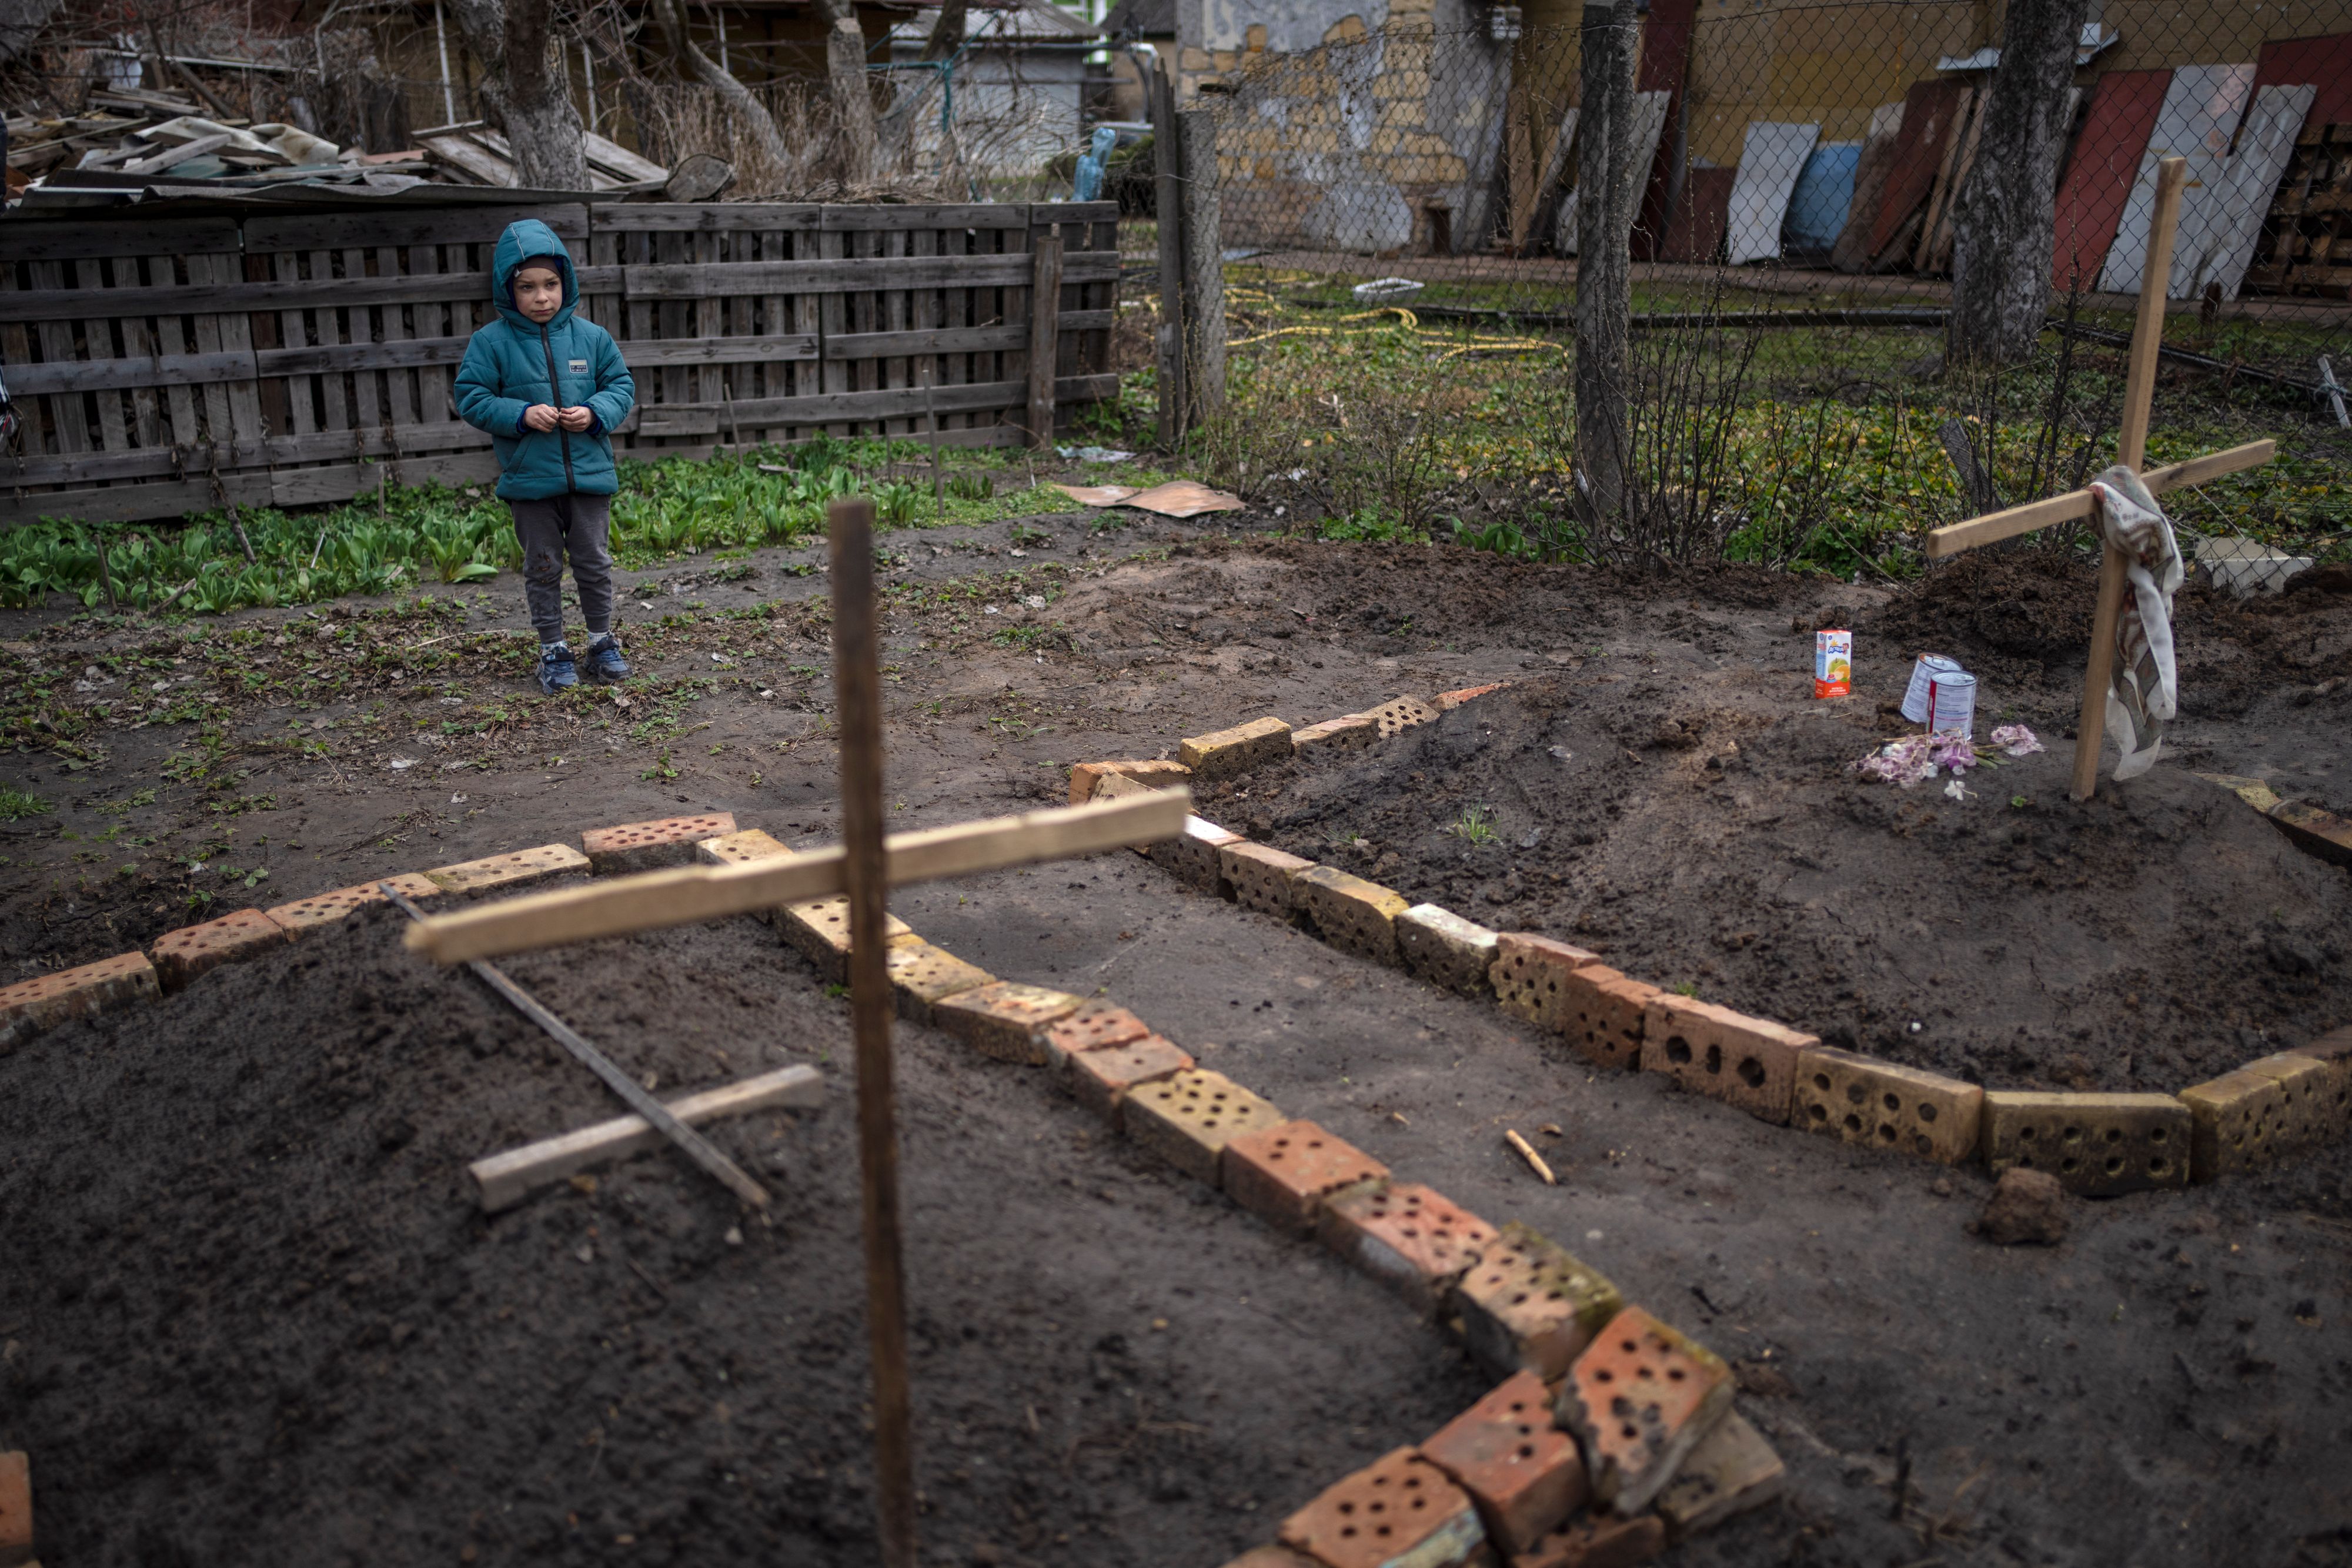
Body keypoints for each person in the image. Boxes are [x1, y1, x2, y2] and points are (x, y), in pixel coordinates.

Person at [455, 218, 637, 694]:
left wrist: (595, 412)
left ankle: (601, 642)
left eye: (551, 285)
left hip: (590, 480)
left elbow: (621, 386)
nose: (541, 297)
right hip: (530, 482)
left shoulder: (592, 338)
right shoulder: (490, 343)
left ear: (566, 283)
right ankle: (553, 651)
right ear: (506, 289)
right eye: (528, 287)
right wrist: (520, 414)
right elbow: (471, 397)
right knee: (542, 567)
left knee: (594, 563)